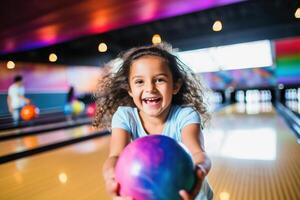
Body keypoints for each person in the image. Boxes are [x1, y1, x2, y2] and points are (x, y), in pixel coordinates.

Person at [94, 43, 213, 200]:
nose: (150, 88)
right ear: (129, 89)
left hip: (191, 193)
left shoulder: (185, 116)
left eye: (159, 80)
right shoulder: (125, 117)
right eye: (139, 82)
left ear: (175, 86)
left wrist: (200, 171)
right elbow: (115, 156)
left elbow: (198, 153)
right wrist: (111, 178)